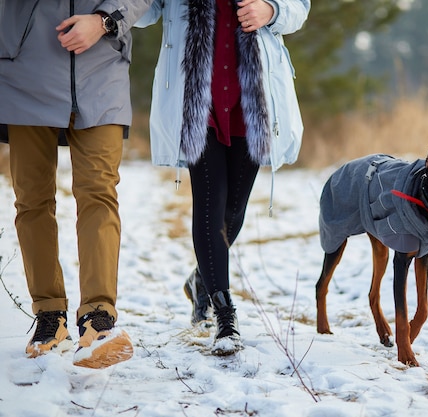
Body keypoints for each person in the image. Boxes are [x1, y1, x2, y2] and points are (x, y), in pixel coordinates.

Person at [135, 0, 310, 355]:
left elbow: (300, 7)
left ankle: (202, 279)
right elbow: (144, 11)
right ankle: (224, 314)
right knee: (210, 205)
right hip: (199, 102)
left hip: (253, 100)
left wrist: (271, 11)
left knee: (234, 210)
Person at [0, 0, 153, 369]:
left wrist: (104, 20)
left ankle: (98, 319)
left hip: (102, 66)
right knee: (32, 198)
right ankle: (50, 315)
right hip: (25, 69)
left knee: (99, 192)